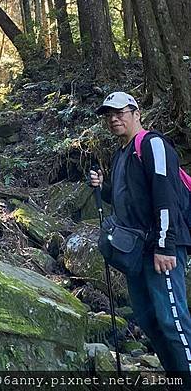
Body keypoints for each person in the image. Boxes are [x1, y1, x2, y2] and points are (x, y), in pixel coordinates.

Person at [90, 91, 191, 372]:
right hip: (136, 251)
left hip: (160, 248)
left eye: (119, 112)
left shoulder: (152, 144)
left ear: (136, 114)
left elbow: (165, 195)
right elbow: (129, 200)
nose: (113, 119)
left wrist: (165, 246)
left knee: (172, 321)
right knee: (149, 320)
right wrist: (104, 189)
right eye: (109, 115)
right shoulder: (122, 153)